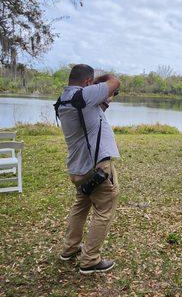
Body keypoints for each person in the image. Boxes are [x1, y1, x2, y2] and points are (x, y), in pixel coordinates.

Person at [56, 64, 121, 275]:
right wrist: (101, 81)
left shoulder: (64, 100)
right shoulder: (85, 94)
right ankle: (90, 259)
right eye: (91, 83)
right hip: (97, 168)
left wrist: (103, 99)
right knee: (104, 210)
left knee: (81, 206)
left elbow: (92, 116)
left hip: (78, 168)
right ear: (86, 83)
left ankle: (70, 249)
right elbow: (114, 81)